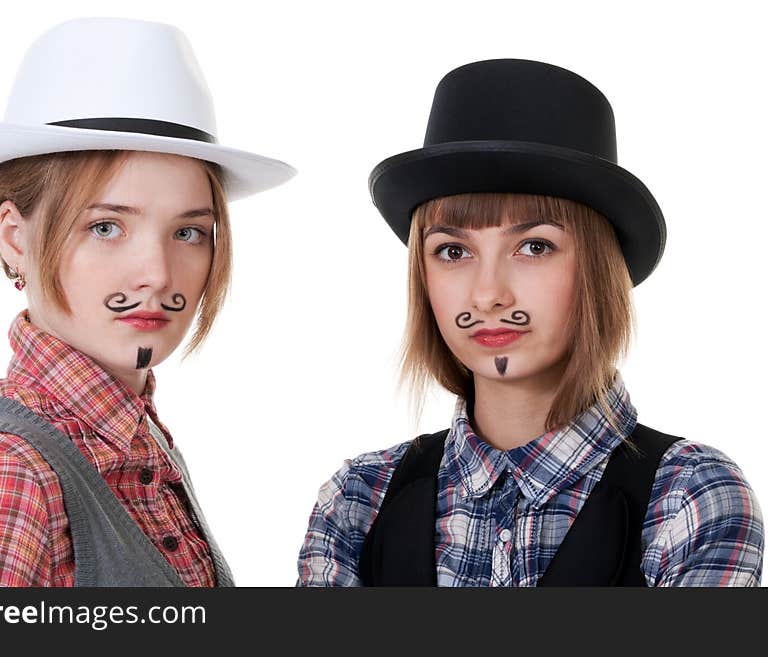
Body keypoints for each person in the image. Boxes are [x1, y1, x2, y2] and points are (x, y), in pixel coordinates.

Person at [297, 59, 763, 587]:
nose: (489, 294)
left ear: (597, 268)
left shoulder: (689, 497)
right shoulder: (361, 501)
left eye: (534, 246)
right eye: (453, 250)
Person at [0, 17, 294, 587]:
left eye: (187, 233)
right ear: (16, 238)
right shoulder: (5, 473)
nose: (157, 275)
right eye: (106, 227)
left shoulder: (139, 440)